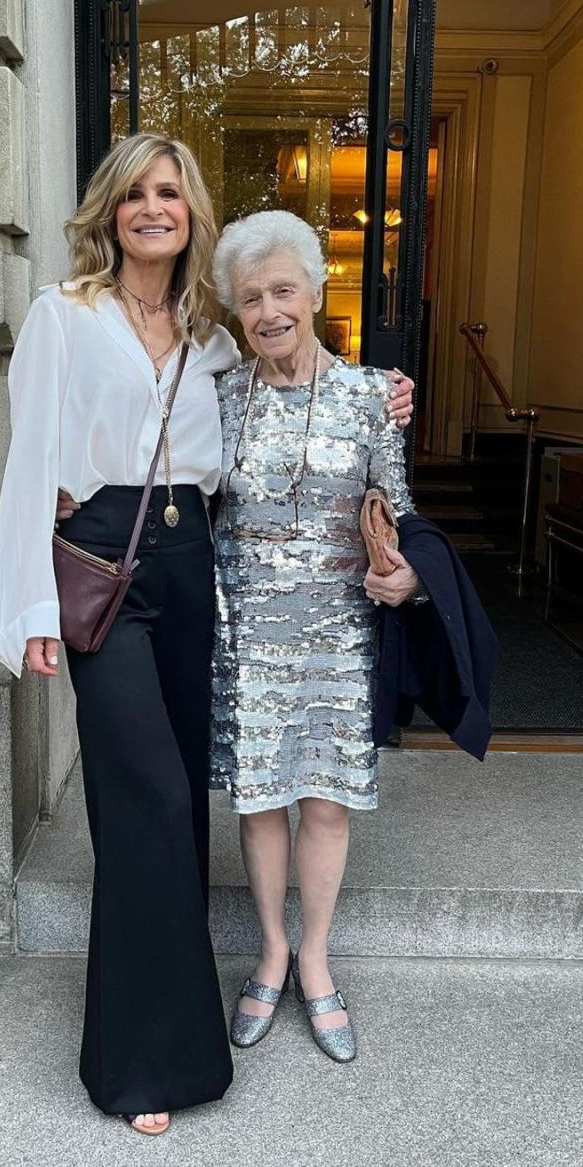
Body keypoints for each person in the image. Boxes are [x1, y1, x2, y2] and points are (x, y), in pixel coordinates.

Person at [0, 133, 417, 1132]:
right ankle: (142, 1065)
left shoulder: (214, 339)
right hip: (103, 562)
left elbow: (296, 393)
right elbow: (27, 466)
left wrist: (381, 391)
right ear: (111, 210)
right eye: (135, 192)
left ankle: (180, 1029)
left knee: (181, 810)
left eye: (170, 191)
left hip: (193, 574)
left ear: (191, 213)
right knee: (148, 798)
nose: (152, 208)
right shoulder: (64, 315)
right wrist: (28, 606)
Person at [209, 210, 426, 1063]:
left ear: (315, 289)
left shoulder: (375, 395)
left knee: (326, 802)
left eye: (282, 290)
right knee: (261, 801)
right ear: (235, 310)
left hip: (340, 631)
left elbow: (399, 509)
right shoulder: (219, 395)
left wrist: (406, 575)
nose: (268, 311)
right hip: (248, 634)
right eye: (250, 297)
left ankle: (316, 959)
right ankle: (269, 953)